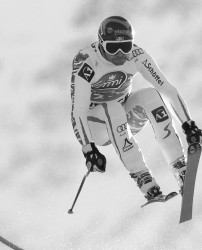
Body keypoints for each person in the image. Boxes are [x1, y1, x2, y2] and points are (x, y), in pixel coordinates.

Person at [70, 16, 202, 202]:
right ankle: (143, 178)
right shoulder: (88, 62)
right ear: (101, 44)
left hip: (124, 121)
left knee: (151, 95)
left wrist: (188, 124)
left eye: (126, 46)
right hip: (96, 126)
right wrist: (88, 149)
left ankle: (180, 167)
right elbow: (78, 112)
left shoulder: (136, 55)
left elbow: (167, 89)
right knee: (113, 107)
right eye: (112, 47)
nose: (120, 54)